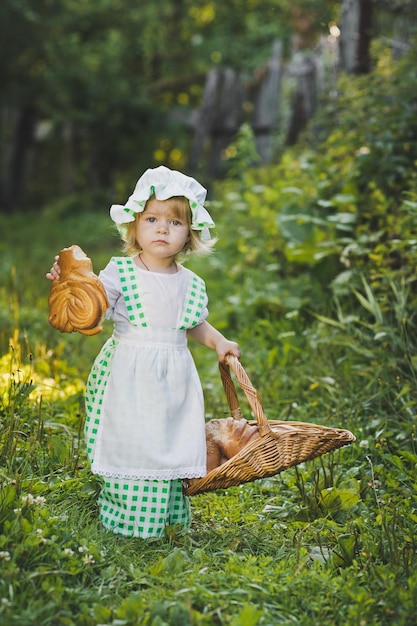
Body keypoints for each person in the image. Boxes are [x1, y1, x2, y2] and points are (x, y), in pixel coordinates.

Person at [46, 165, 240, 539]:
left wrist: (219, 342)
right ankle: (127, 512)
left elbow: (193, 322)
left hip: (172, 377)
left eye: (175, 223)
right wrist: (69, 284)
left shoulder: (190, 283)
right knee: (132, 436)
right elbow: (94, 307)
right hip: (129, 372)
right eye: (151, 219)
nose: (163, 229)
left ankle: (168, 512)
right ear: (134, 226)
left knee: (166, 438)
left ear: (190, 235)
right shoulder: (120, 272)